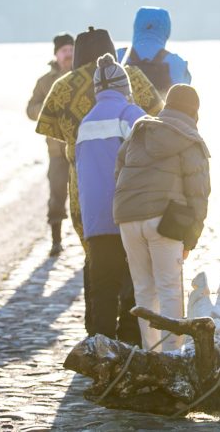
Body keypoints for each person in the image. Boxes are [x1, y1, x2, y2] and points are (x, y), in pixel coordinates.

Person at [36, 26, 163, 336]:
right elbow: (156, 112)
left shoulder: (62, 86)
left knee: (97, 259)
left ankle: (97, 334)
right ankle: (133, 334)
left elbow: (49, 126)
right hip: (133, 183)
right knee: (136, 260)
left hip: (85, 185)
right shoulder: (131, 77)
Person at [114, 84, 211, 351]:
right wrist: (191, 238)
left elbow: (119, 168)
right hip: (164, 220)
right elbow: (199, 194)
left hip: (128, 217)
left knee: (143, 289)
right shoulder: (190, 139)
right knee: (169, 288)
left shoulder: (140, 130)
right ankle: (171, 358)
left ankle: (151, 354)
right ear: (195, 112)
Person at [76, 54, 145, 345]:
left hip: (95, 219)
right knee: (134, 284)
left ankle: (102, 348)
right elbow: (147, 161)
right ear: (124, 86)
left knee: (103, 286)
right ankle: (129, 347)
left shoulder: (85, 123)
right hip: (128, 214)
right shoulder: (130, 115)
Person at [26, 33, 75, 256]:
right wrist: (48, 110)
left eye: (71, 49)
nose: (68, 54)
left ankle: (91, 239)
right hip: (56, 150)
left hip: (83, 148)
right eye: (64, 50)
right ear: (56, 54)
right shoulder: (45, 82)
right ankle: (56, 239)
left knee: (86, 195)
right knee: (57, 193)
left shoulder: (81, 76)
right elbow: (30, 109)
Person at [117, 6, 191, 94]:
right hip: (163, 107)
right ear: (166, 29)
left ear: (137, 26)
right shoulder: (177, 63)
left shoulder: (117, 57)